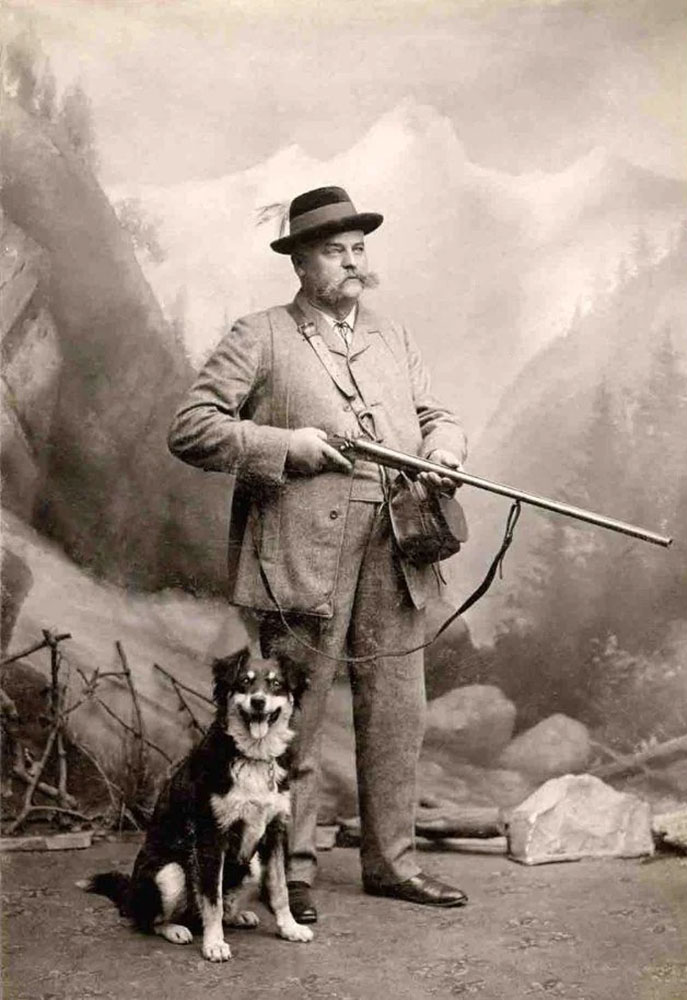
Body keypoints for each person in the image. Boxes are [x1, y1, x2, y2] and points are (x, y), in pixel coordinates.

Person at [168, 186, 468, 923]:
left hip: (398, 552)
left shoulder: (393, 338)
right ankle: (289, 872)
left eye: (359, 248)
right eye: (335, 250)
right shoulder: (259, 334)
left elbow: (438, 413)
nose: (352, 261)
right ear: (300, 263)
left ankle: (392, 865)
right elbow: (191, 427)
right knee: (292, 720)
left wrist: (445, 446)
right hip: (298, 558)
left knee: (399, 714)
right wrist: (284, 447)